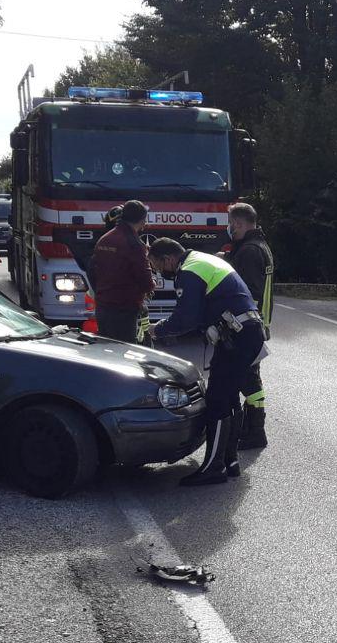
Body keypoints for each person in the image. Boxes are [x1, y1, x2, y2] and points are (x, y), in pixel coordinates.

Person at [148, 238, 265, 486]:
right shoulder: (203, 259)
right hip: (243, 332)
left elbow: (186, 317)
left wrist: (158, 330)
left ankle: (214, 467)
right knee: (229, 397)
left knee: (217, 401)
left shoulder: (189, 271)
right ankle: (229, 462)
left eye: (157, 265)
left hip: (238, 335)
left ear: (168, 259)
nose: (158, 272)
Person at [218, 202, 274, 449]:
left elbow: (249, 292)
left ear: (239, 223)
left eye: (232, 224)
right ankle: (251, 429)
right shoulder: (259, 246)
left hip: (247, 327)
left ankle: (255, 432)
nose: (230, 229)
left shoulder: (250, 251)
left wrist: (236, 323)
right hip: (257, 324)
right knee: (251, 379)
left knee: (248, 381)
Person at [88, 200, 153, 343]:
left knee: (106, 350)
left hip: (103, 307)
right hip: (124, 308)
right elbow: (145, 280)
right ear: (142, 220)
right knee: (125, 353)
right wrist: (151, 285)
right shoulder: (134, 244)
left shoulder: (104, 239)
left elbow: (92, 271)